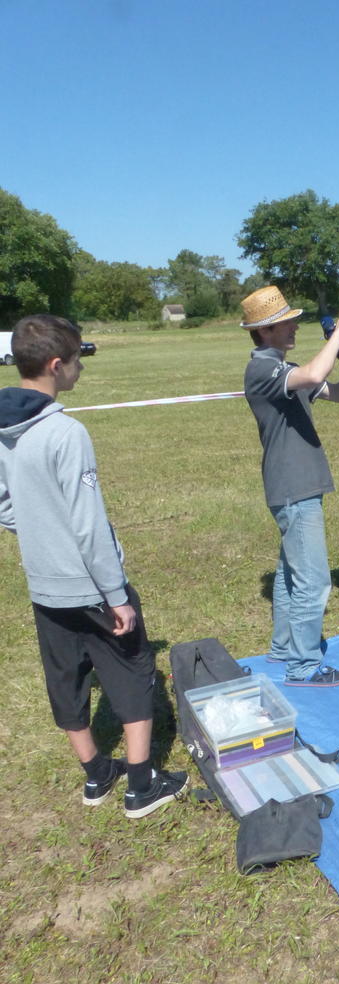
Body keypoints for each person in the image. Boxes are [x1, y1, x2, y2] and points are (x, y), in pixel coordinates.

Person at [0, 314, 188, 818]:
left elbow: (3, 503)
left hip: (44, 587)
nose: (81, 370)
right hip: (90, 586)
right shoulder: (66, 431)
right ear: (57, 366)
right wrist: (116, 594)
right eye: (78, 361)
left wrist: (42, 535)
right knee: (131, 670)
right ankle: (142, 787)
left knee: (65, 679)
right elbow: (87, 525)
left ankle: (97, 775)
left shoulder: (2, 428)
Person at [242, 285, 339, 686]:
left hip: (298, 484)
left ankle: (281, 650)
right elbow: (312, 374)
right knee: (313, 579)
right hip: (293, 487)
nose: (295, 327)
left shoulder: (283, 368)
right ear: (265, 331)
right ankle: (304, 666)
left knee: (291, 575)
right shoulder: (264, 369)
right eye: (286, 323)